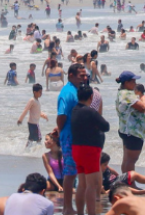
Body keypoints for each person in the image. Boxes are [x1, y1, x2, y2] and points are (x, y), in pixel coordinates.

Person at [71, 84, 111, 215]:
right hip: (90, 151)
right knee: (92, 185)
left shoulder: (74, 110)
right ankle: (92, 213)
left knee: (81, 184)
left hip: (76, 149)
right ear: (91, 97)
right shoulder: (90, 112)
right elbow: (105, 126)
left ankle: (80, 213)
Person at [56, 63, 89, 212]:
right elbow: (61, 115)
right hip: (70, 137)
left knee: (77, 171)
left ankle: (73, 207)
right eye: (81, 75)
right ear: (71, 75)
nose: (85, 77)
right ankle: (67, 208)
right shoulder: (67, 92)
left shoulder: (78, 90)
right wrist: (62, 131)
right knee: (70, 173)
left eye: (85, 75)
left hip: (79, 137)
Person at [116, 71, 145, 174]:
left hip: (125, 130)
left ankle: (125, 181)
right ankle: (130, 184)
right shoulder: (128, 94)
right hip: (133, 132)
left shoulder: (122, 92)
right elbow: (143, 107)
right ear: (126, 82)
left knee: (126, 160)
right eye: (133, 81)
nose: (135, 83)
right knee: (131, 161)